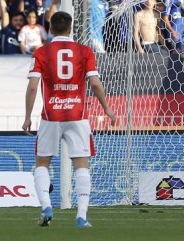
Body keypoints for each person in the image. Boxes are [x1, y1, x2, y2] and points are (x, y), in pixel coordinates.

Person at [22, 11, 115, 228]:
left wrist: (27, 116)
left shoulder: (41, 52)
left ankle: (46, 205)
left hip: (50, 116)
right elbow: (95, 84)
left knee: (42, 163)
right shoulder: (84, 51)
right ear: (71, 28)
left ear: (51, 28)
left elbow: (33, 86)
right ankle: (81, 216)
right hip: (78, 116)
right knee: (81, 165)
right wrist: (108, 109)